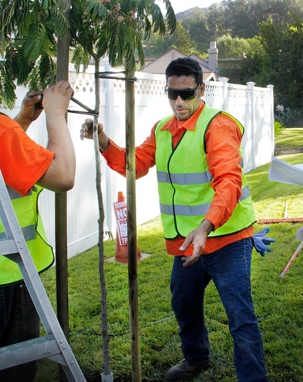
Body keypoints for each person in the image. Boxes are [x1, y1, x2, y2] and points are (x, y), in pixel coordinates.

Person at [80, 57, 268, 382]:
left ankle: (254, 378)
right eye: (172, 94)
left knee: (240, 316)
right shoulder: (162, 130)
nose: (179, 101)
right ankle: (196, 358)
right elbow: (135, 164)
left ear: (201, 89)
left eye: (187, 93)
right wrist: (103, 141)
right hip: (186, 243)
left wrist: (205, 227)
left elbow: (229, 183)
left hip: (227, 240)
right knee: (184, 304)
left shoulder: (217, 125)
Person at [0, 81, 76, 382]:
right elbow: (63, 176)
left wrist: (22, 123)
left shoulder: (6, 131)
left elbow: (6, 162)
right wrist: (56, 114)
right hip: (7, 276)